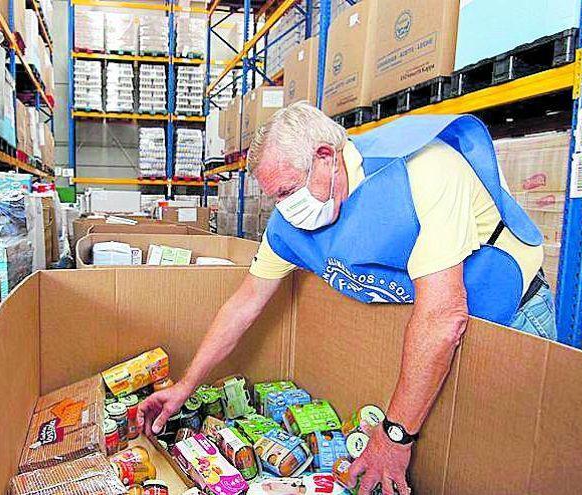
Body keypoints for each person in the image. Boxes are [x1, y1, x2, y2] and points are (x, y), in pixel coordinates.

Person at [138, 103, 557, 495]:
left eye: (287, 192)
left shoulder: (423, 170)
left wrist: (395, 436)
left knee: (499, 471)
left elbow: (443, 318)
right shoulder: (291, 224)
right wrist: (185, 386)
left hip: (505, 321)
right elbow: (243, 305)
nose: (284, 209)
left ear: (325, 156)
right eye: (274, 198)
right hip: (430, 341)